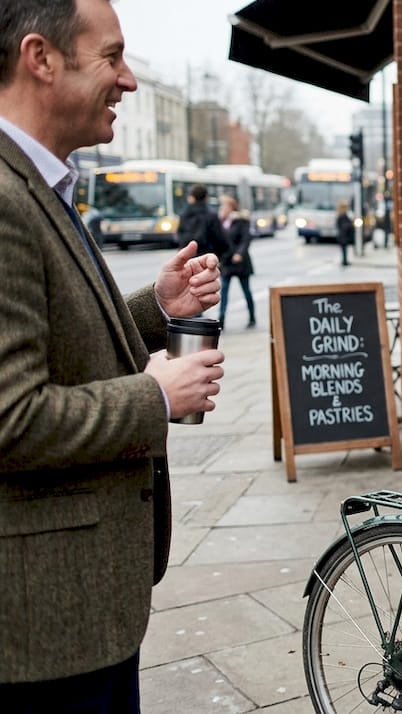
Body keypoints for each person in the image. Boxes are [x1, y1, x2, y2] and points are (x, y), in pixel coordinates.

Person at [0, 1, 226, 711]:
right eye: (111, 57)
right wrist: (156, 396)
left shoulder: (43, 184)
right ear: (41, 59)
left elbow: (58, 339)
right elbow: (12, 416)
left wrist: (155, 310)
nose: (127, 80)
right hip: (45, 629)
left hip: (82, 611)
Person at [217, 194, 256, 328]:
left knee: (246, 291)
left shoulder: (241, 220)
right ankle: (221, 319)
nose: (223, 208)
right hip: (226, 262)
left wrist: (240, 253)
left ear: (232, 207)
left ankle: (252, 316)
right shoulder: (221, 222)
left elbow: (246, 239)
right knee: (224, 292)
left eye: (226, 205)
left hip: (240, 263)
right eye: (222, 206)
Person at [176, 183, 228, 257]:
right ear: (206, 197)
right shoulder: (211, 215)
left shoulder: (184, 215)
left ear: (192, 197)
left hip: (188, 256)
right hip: (207, 257)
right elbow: (220, 238)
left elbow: (180, 234)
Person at [335, 199, 354, 266]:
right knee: (344, 250)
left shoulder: (343, 215)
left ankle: (344, 261)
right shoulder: (342, 216)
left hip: (343, 235)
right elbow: (343, 225)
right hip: (343, 236)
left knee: (345, 250)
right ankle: (344, 261)